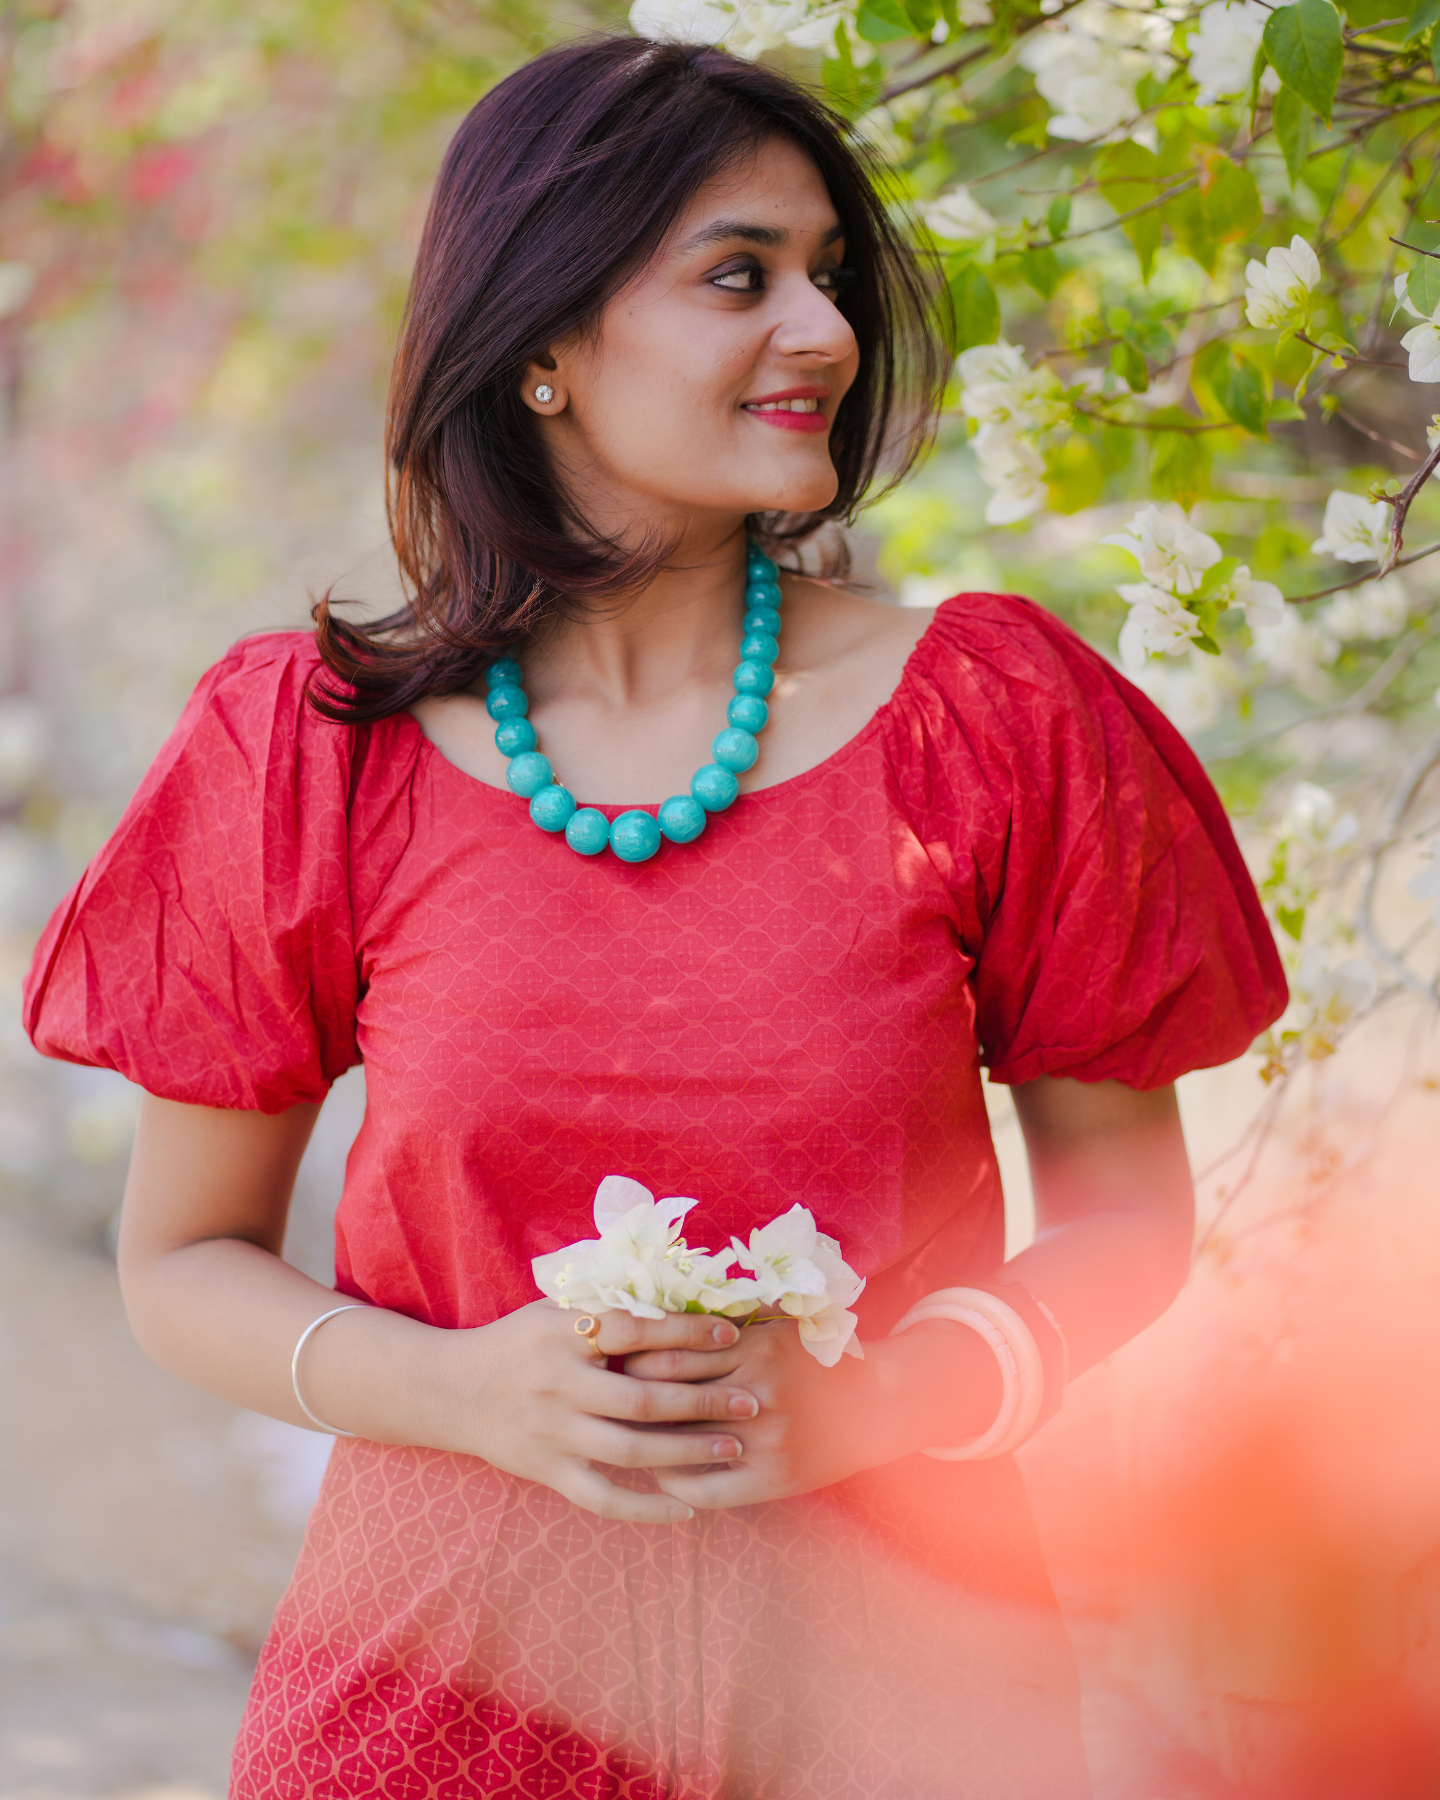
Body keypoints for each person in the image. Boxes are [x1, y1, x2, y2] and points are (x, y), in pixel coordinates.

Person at [23, 34, 1286, 1800]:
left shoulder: (996, 719)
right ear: (541, 340)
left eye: (830, 278)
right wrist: (471, 1395)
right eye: (738, 277)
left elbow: (1126, 1211)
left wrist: (890, 1398)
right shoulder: (311, 751)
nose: (825, 335)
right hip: (438, 1684)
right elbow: (182, 1265)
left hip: (909, 1698)